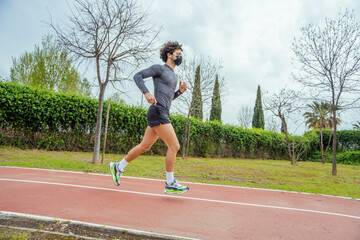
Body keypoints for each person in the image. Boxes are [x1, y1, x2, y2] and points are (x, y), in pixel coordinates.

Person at [109, 41, 189, 194]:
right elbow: (137, 76)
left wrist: (179, 92)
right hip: (158, 111)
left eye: (181, 55)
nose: (180, 57)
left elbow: (167, 98)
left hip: (161, 109)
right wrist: (146, 92)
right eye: (178, 54)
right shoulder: (159, 69)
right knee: (174, 146)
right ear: (169, 54)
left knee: (145, 146)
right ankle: (170, 183)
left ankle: (118, 167)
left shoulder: (173, 76)